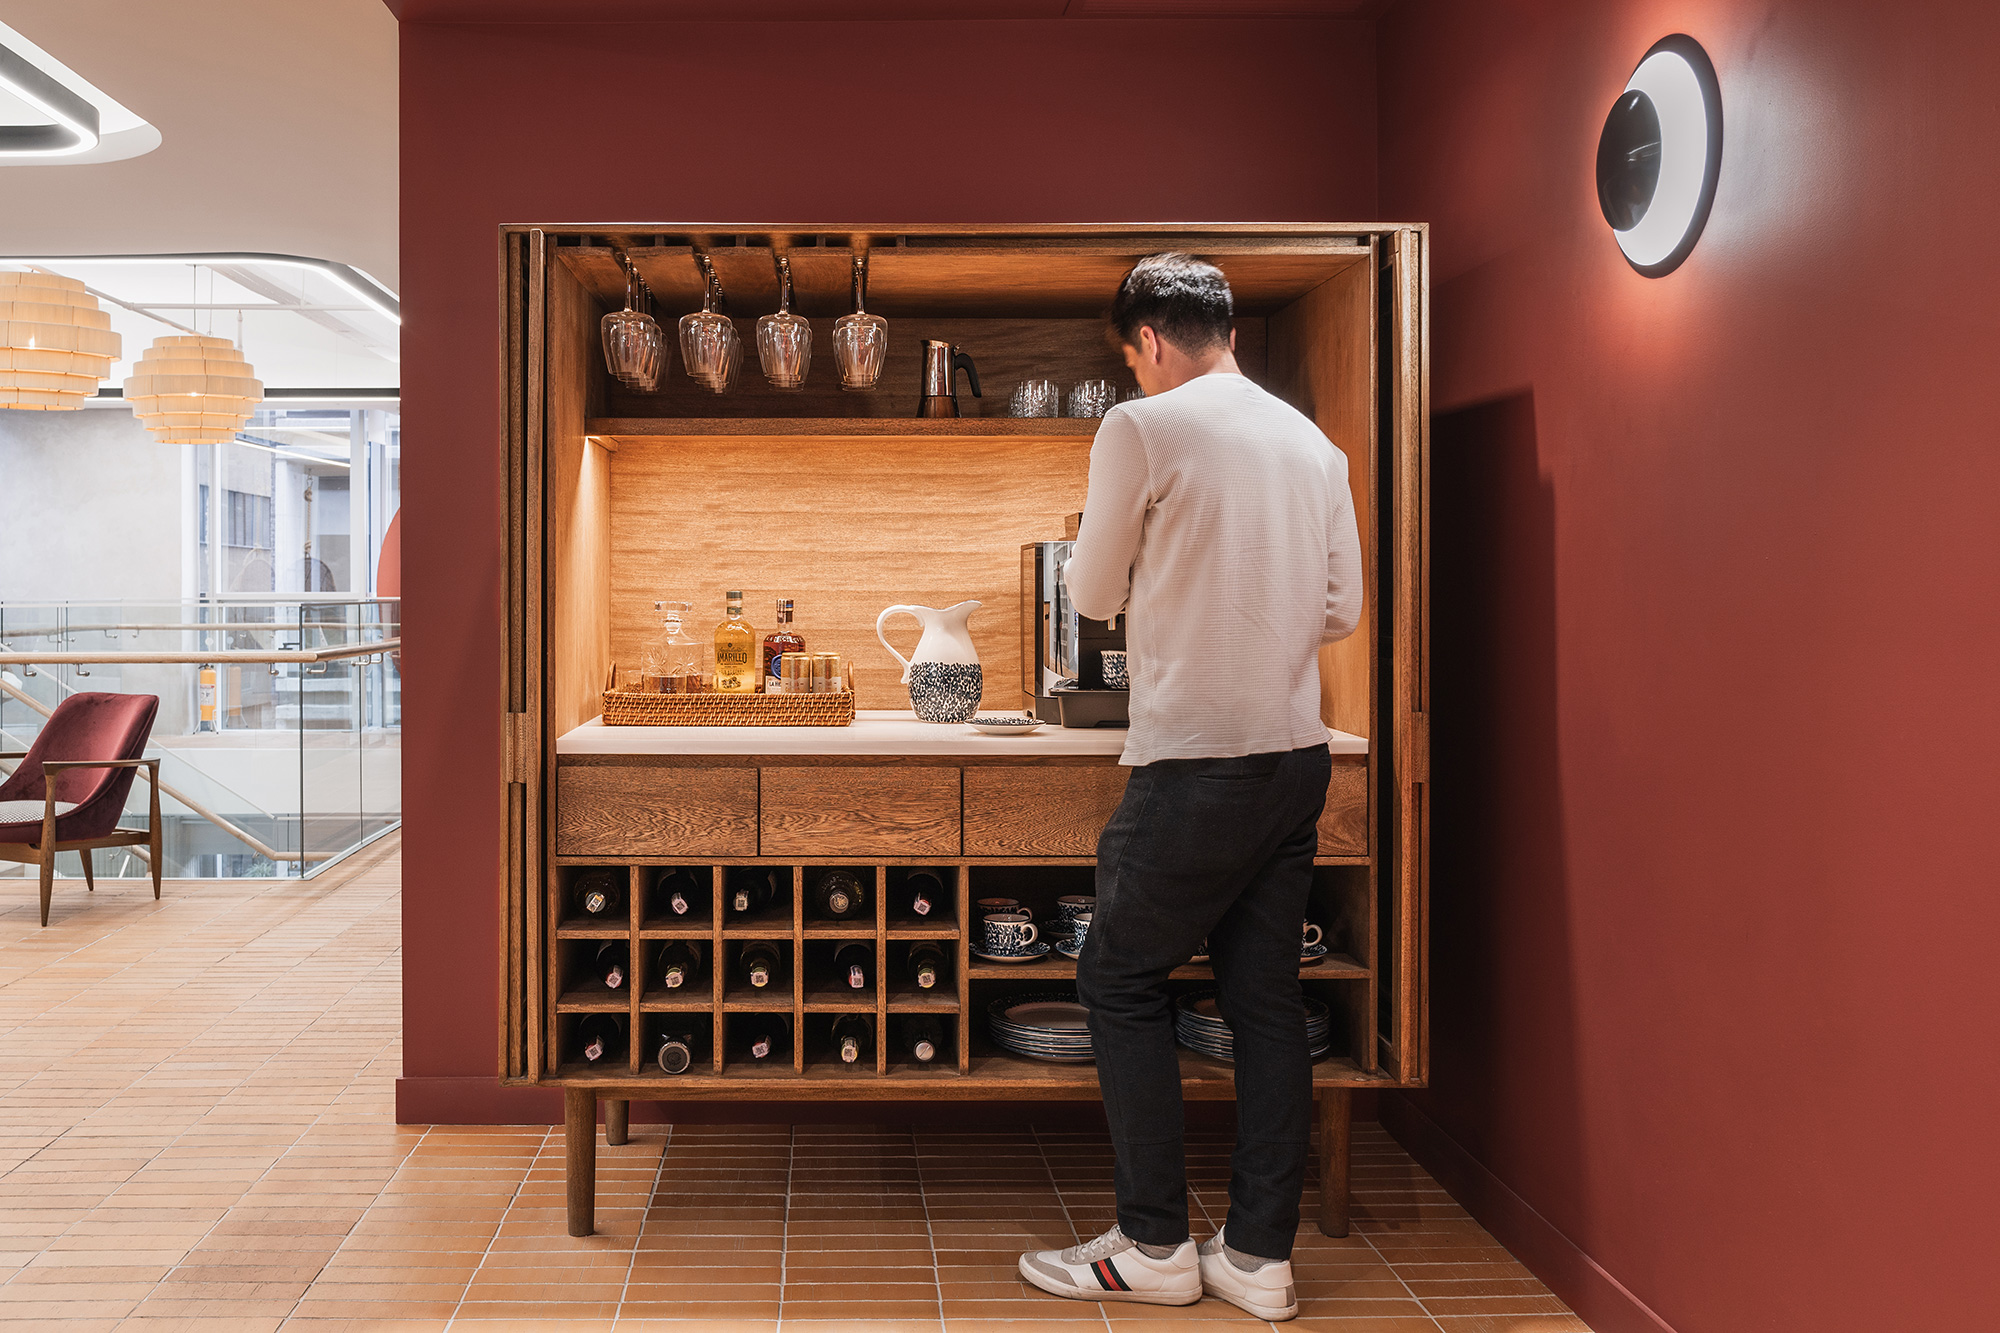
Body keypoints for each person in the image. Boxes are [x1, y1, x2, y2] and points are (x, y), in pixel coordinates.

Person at [1016, 254, 1364, 1322]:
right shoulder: (1313, 443)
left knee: (1117, 976)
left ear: (1149, 342)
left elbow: (1089, 590)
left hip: (1194, 760)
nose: (1138, 372)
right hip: (1293, 757)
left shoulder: (1139, 426)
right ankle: (1256, 1257)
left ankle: (1153, 1244)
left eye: (1134, 357)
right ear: (1227, 332)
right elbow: (1340, 608)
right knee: (1264, 1000)